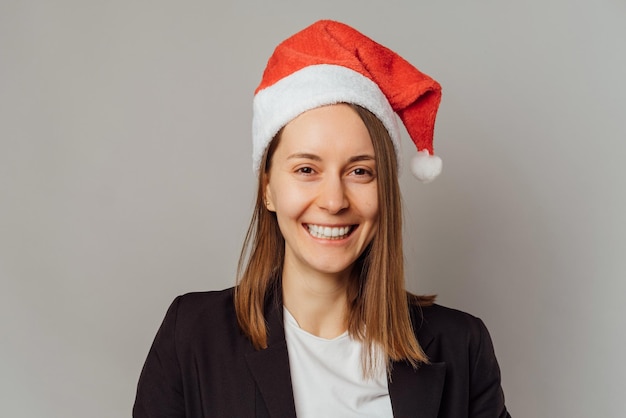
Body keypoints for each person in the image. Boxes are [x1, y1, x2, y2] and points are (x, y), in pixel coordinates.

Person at [133, 20, 510, 418]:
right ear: (268, 188)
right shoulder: (192, 336)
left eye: (360, 171)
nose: (333, 201)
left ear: (387, 192)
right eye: (306, 170)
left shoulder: (462, 345)